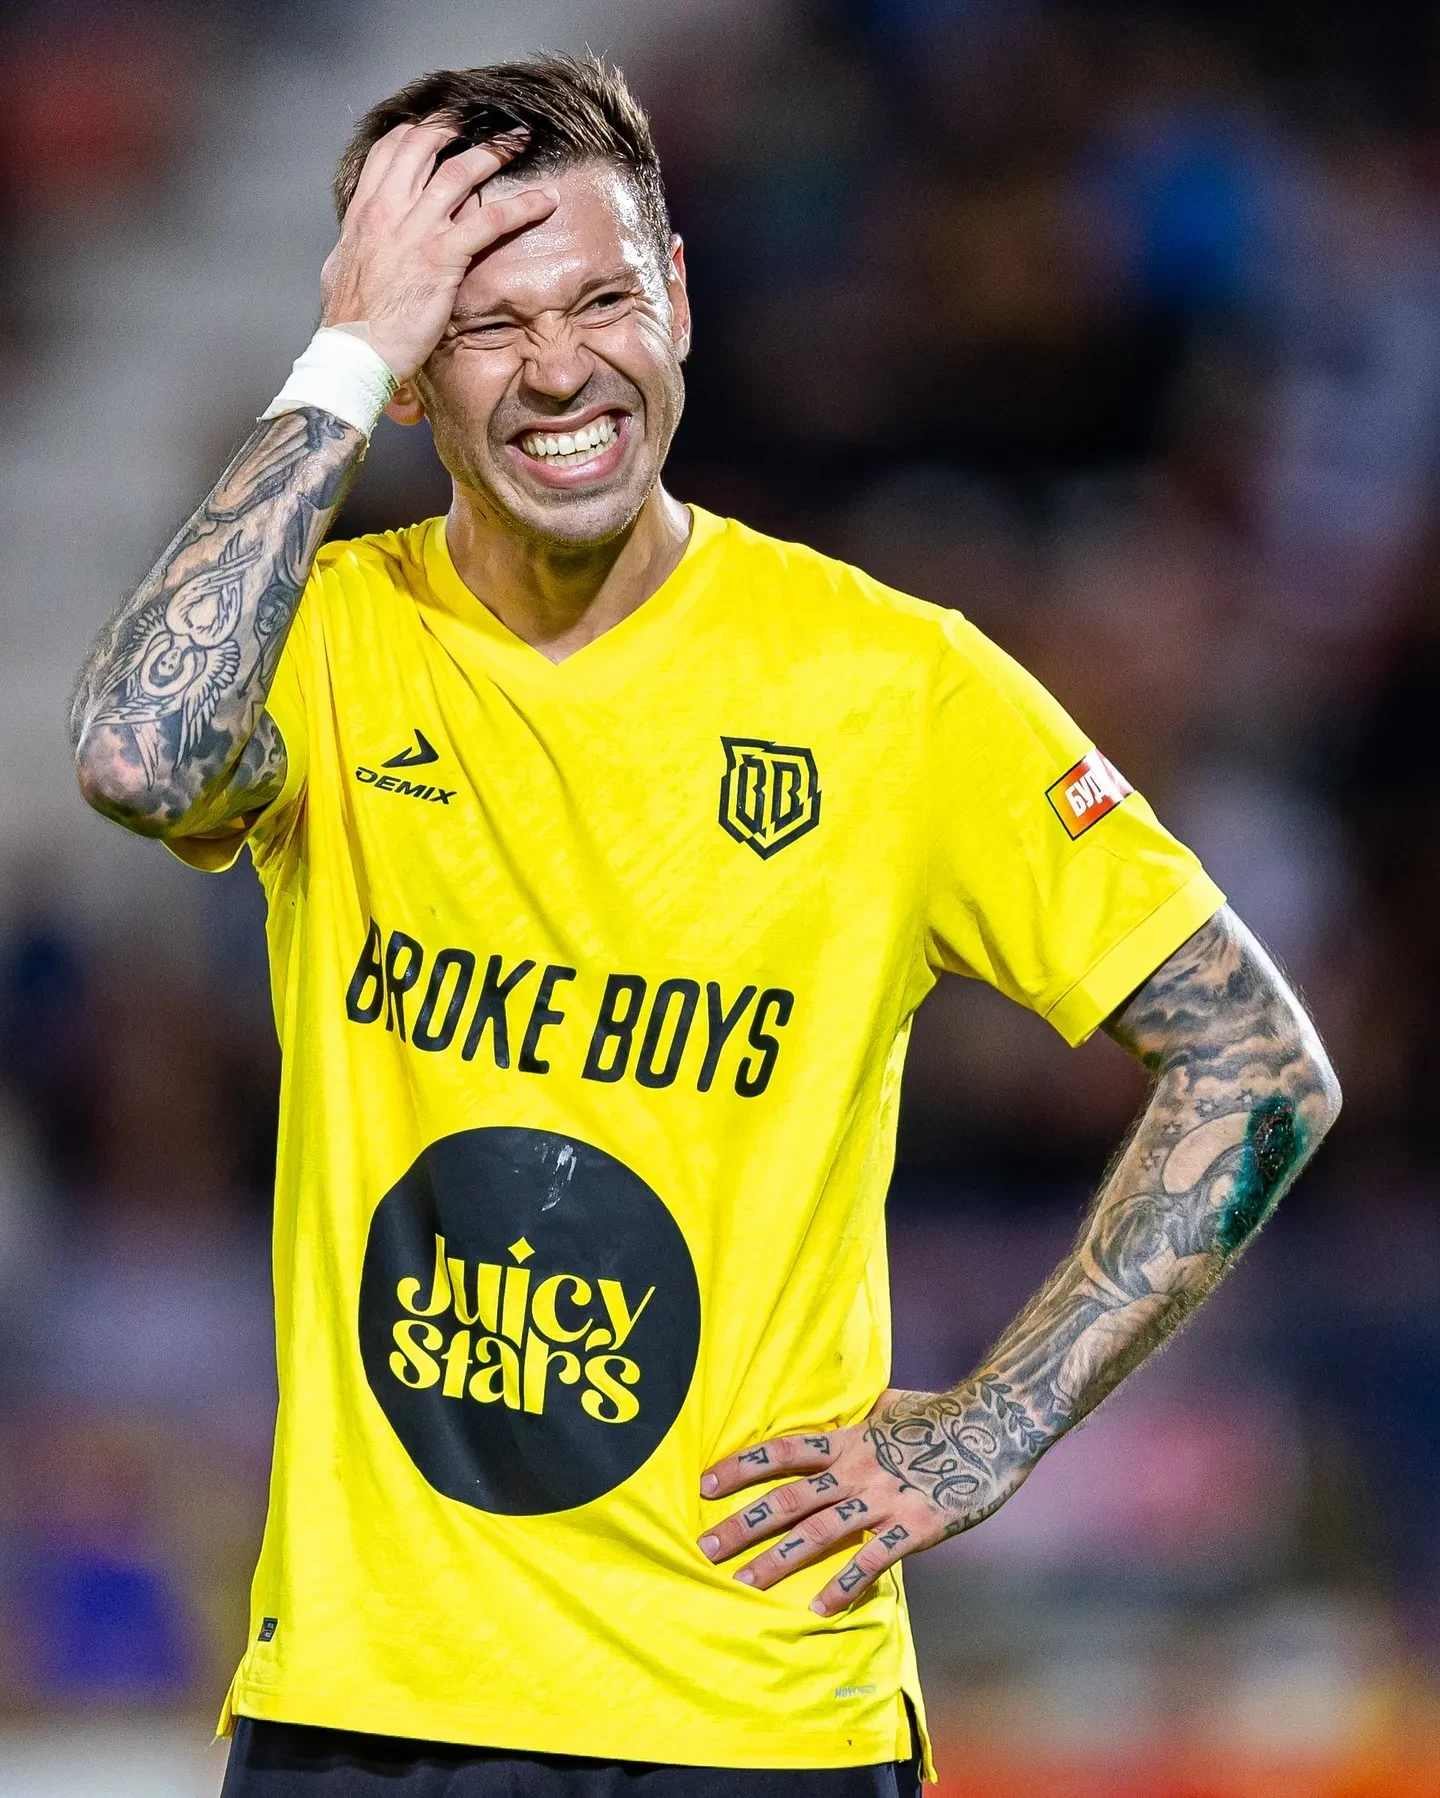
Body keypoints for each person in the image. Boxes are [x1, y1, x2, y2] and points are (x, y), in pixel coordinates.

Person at [69, 54, 1340, 1798]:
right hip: (375, 1709)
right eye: (484, 323)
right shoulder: (334, 639)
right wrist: (340, 355)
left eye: (604, 298)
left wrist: (988, 1430)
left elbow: (1257, 1059)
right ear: (414, 371)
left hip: (757, 1717)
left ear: (680, 297)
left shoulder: (893, 682)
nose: (562, 368)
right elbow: (139, 758)